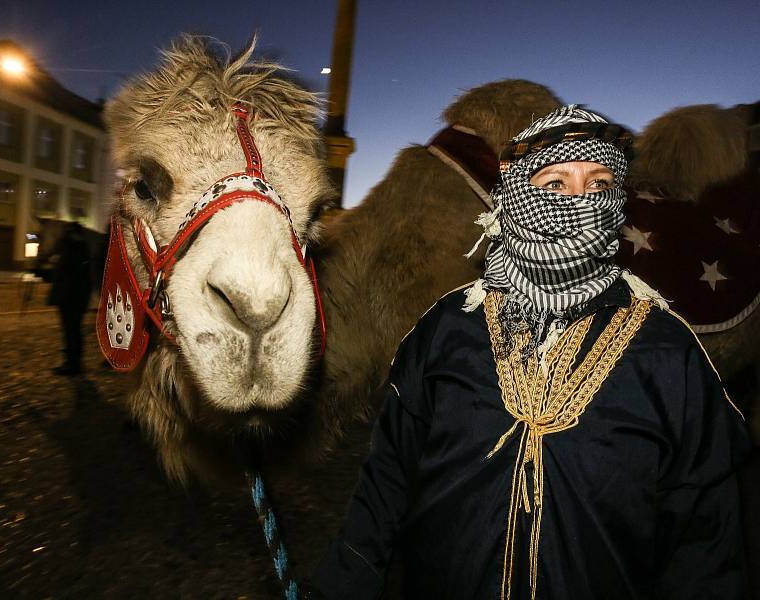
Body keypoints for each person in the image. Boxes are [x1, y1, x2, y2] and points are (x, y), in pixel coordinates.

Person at [310, 106, 750, 599]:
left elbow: (706, 542)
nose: (580, 202)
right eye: (556, 184)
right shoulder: (448, 327)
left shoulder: (668, 350)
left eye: (599, 184)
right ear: (519, 196)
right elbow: (386, 484)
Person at [48, 221, 92, 375]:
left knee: (70, 331)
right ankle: (75, 362)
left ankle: (72, 364)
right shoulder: (83, 248)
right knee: (75, 331)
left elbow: (63, 272)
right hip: (78, 298)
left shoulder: (68, 247)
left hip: (68, 298)